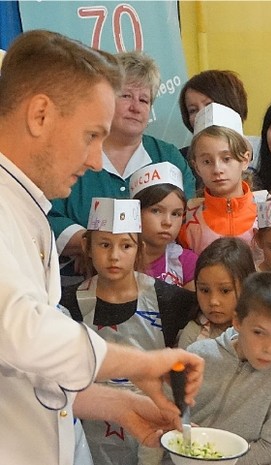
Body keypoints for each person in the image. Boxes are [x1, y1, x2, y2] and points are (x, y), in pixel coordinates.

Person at [0, 30, 203, 465]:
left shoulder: (26, 203)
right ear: (40, 115)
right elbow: (21, 333)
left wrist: (116, 403)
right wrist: (140, 363)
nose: (96, 160)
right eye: (91, 135)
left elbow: (30, 372)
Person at [60, 198, 197, 465]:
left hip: (155, 432)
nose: (114, 256)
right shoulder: (66, 303)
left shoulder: (172, 301)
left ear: (139, 249)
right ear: (87, 246)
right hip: (86, 433)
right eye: (104, 245)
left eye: (126, 245)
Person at [49, 50, 196, 280]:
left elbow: (186, 216)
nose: (136, 107)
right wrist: (87, 244)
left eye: (144, 100)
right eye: (126, 96)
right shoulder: (73, 153)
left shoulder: (168, 157)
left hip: (160, 279)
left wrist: (100, 246)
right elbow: (45, 214)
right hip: (78, 279)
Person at [182, 271, 271, 465]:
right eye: (259, 332)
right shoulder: (198, 355)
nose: (269, 348)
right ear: (237, 321)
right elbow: (161, 422)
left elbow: (270, 447)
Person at [178, 102, 267, 256]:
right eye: (207, 161)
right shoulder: (190, 222)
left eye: (226, 159)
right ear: (196, 166)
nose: (217, 169)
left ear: (245, 160)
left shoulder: (266, 212)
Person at [177, 237, 256, 349]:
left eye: (225, 291)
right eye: (205, 290)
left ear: (247, 288)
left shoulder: (261, 331)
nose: (213, 301)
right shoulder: (193, 334)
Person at [131, 162, 198, 290]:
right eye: (156, 211)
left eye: (176, 214)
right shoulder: (117, 259)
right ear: (136, 212)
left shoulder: (188, 263)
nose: (167, 222)